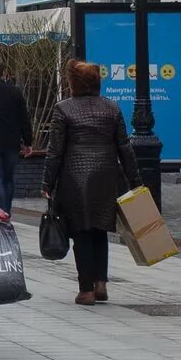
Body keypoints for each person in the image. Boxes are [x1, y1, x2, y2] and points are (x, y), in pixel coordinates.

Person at [44, 60, 143, 305]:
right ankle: (101, 284)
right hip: (107, 176)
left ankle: (85, 289)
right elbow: (124, 146)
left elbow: (55, 150)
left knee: (81, 232)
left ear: (73, 83)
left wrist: (47, 182)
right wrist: (135, 180)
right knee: (100, 229)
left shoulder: (63, 108)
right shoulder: (111, 107)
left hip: (74, 177)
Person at [0, 60, 33, 212]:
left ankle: (0, 210)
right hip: (12, 141)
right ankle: (7, 210)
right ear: (4, 73)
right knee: (9, 178)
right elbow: (24, 117)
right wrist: (28, 141)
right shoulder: (14, 91)